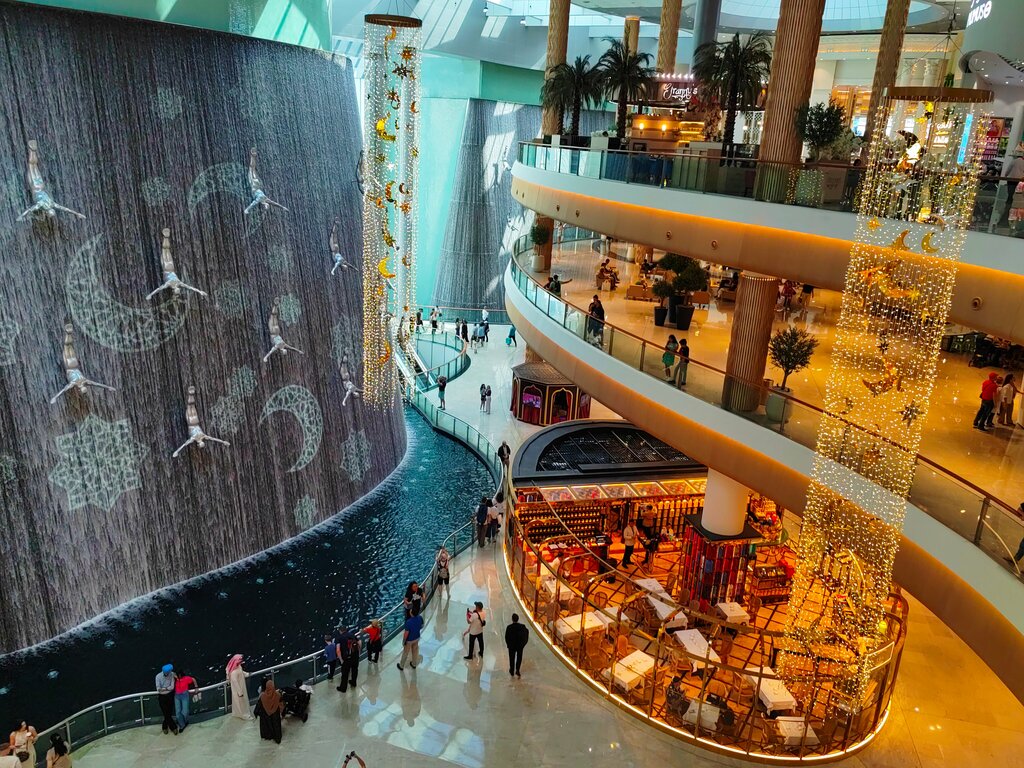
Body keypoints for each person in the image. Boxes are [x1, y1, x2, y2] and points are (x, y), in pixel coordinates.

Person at [255, 679, 284, 743]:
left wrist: (258, 714)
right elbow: (282, 705)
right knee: (276, 727)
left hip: (265, 719)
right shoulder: (278, 695)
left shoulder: (262, 696)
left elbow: (257, 708)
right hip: (275, 717)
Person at [397, 602, 424, 671]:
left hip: (409, 640)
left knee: (406, 652)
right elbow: (421, 626)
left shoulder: (408, 622)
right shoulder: (420, 618)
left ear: (411, 613)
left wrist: (404, 641)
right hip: (417, 637)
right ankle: (414, 664)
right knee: (415, 651)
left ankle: (401, 665)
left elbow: (406, 633)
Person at [226, 654, 251, 720]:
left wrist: (247, 674)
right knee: (240, 702)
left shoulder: (238, 667)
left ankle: (239, 713)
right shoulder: (233, 672)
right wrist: (240, 692)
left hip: (242, 686)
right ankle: (244, 715)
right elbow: (235, 682)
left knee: (243, 701)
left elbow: (241, 672)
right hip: (238, 690)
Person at [504, 613, 529, 678]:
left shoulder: (509, 627)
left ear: (512, 619)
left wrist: (508, 645)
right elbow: (526, 634)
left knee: (511, 658)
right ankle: (517, 670)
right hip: (520, 646)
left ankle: (512, 670)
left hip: (511, 646)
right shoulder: (522, 626)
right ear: (518, 619)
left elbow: (506, 637)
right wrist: (523, 644)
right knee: (519, 657)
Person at [155, 663, 178, 734]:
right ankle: (173, 727)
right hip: (162, 697)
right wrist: (167, 689)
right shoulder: (158, 676)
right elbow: (158, 689)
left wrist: (164, 689)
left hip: (170, 695)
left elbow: (172, 687)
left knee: (168, 713)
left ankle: (164, 726)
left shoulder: (172, 674)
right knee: (165, 712)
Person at [336, 626, 360, 692]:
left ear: (340, 631)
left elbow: (338, 650)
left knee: (345, 674)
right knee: (355, 670)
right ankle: (353, 682)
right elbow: (359, 642)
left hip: (346, 659)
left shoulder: (339, 638)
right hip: (355, 656)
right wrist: (358, 653)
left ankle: (343, 688)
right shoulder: (352, 635)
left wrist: (341, 660)